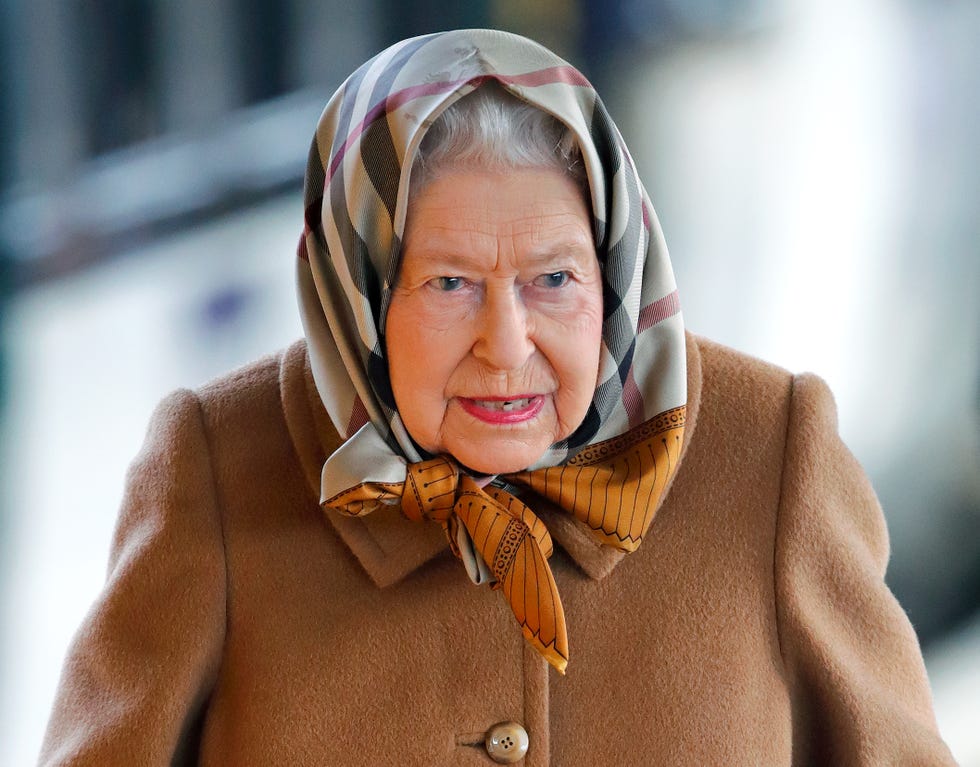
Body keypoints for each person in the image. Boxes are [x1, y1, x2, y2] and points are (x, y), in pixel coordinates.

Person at [39, 28, 954, 766]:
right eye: (449, 285)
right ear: (356, 293)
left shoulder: (769, 450)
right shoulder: (218, 467)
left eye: (554, 278)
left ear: (616, 267)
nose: (507, 344)